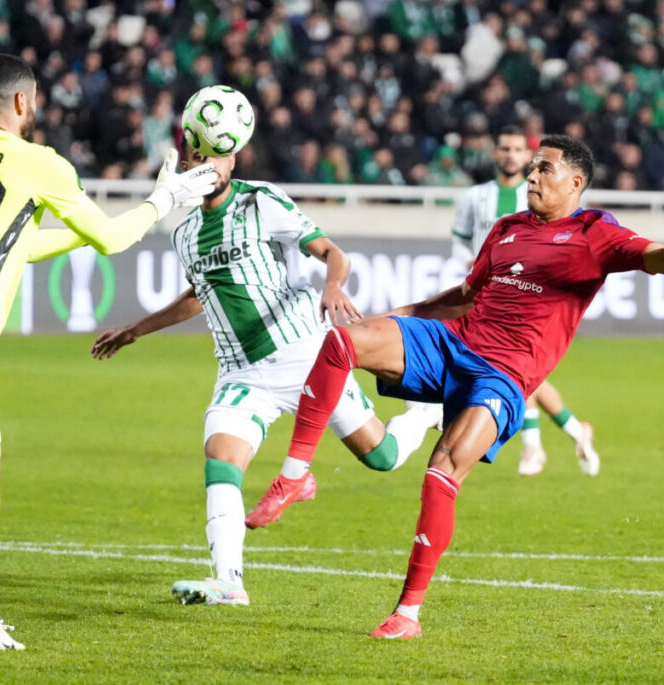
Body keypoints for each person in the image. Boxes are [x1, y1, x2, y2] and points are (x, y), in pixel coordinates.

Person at [246, 135, 664, 638]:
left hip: (504, 376)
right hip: (454, 342)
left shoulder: (597, 234)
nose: (530, 177)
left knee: (441, 474)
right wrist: (397, 317)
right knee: (341, 343)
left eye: (544, 170)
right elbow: (464, 296)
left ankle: (408, 615)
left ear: (575, 182)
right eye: (531, 168)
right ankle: (295, 477)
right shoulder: (507, 228)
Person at [0, 53, 217, 655]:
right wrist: (164, 200)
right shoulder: (39, 163)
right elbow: (111, 238)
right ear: (24, 103)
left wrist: (110, 219)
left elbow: (17, 244)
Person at [90, 138, 435, 607]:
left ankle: (424, 413)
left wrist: (332, 288)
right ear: (185, 167)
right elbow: (199, 294)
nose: (206, 166)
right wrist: (135, 329)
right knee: (221, 461)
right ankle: (229, 581)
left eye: (217, 157)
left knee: (384, 457)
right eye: (197, 158)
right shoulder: (185, 233)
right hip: (241, 373)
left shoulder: (260, 202)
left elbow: (334, 252)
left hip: (304, 353)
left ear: (231, 161)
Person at [449, 126, 599, 477]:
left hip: (531, 297)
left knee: (517, 370)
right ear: (495, 153)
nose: (511, 156)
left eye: (518, 150)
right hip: (486, 291)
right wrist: (470, 265)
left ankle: (533, 447)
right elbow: (458, 240)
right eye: (505, 148)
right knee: (524, 373)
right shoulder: (475, 197)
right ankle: (575, 431)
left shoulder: (542, 193)